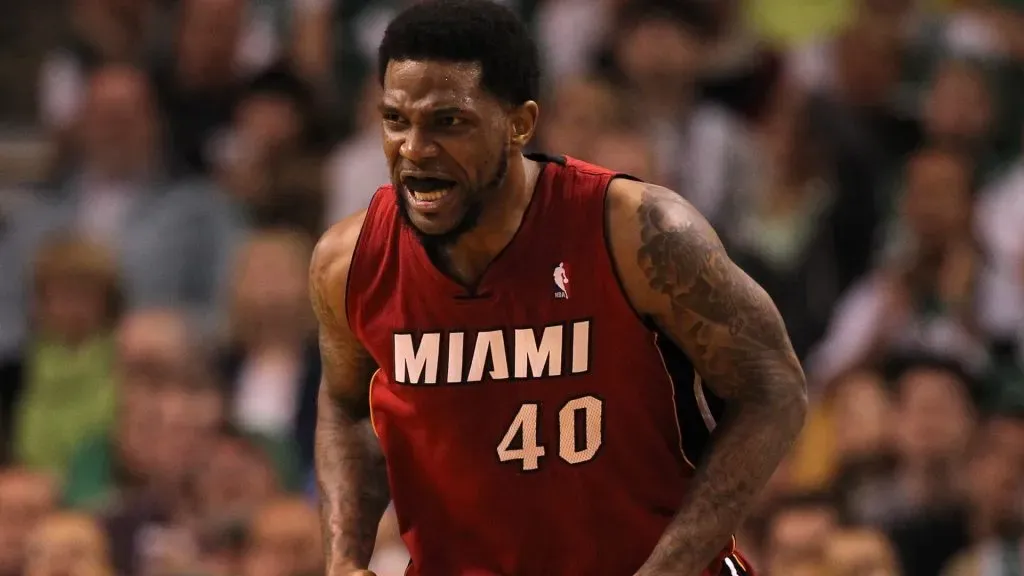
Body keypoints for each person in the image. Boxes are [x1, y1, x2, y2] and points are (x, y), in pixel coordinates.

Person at [310, 1, 808, 575]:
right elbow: (345, 404)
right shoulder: (348, 262)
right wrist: (344, 558)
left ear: (520, 124)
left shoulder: (635, 231)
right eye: (396, 120)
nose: (415, 149)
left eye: (449, 122)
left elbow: (774, 390)